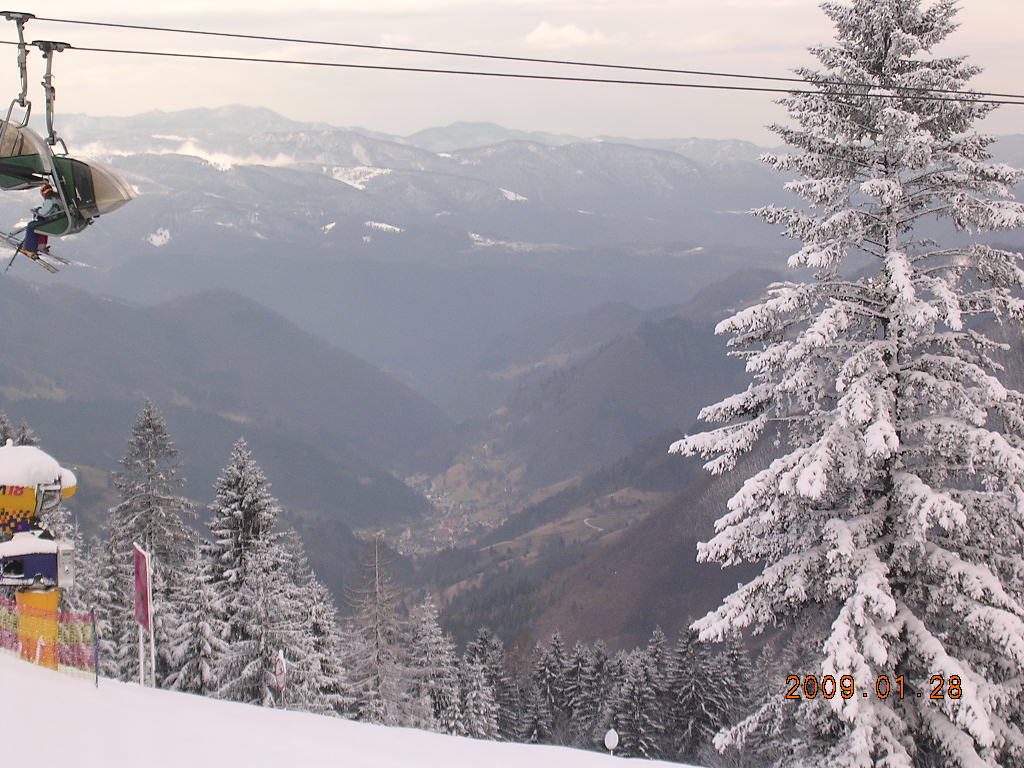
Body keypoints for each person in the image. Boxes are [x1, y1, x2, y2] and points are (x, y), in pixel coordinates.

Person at [18, 183, 63, 257]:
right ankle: (41, 245)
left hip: (51, 220)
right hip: (57, 219)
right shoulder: (58, 198)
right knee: (40, 226)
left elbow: (44, 212)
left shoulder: (49, 199)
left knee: (31, 226)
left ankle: (29, 249)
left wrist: (37, 210)